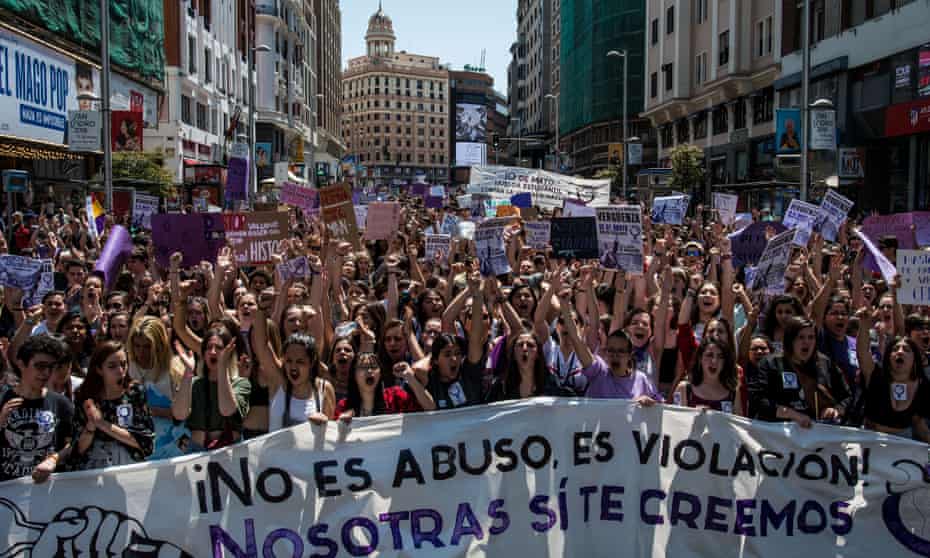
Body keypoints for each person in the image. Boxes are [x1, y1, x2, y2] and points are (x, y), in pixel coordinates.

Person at [749, 317, 852, 427]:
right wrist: (793, 415)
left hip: (819, 436)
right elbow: (758, 400)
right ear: (790, 340)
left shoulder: (825, 363)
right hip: (780, 436)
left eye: (811, 337)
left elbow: (847, 397)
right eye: (801, 337)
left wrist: (836, 410)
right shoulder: (770, 364)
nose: (806, 342)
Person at [71, 341, 154, 470]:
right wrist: (91, 426)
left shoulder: (135, 392)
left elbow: (145, 441)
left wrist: (102, 423)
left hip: (129, 465)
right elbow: (78, 449)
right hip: (94, 466)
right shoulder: (85, 396)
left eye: (123, 364)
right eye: (112, 366)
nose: (120, 371)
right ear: (99, 369)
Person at [0, 334, 71, 482]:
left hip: (46, 493)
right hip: (6, 495)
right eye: (40, 366)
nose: (46, 373)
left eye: (51, 367)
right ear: (21, 364)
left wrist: (54, 459)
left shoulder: (61, 403)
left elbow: (74, 443)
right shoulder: (2, 399)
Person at [172, 327, 251, 449]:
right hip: (196, 454)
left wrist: (222, 367)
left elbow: (227, 410)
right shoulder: (192, 383)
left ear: (228, 353)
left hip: (229, 454)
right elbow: (179, 415)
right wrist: (188, 370)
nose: (213, 352)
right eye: (209, 348)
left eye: (219, 348)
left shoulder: (241, 384)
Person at [857, 312, 930, 441]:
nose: (900, 352)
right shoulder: (876, 375)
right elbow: (863, 353)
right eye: (895, 349)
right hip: (871, 439)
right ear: (888, 356)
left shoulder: (922, 385)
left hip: (903, 443)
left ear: (914, 360)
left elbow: (918, 423)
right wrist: (863, 324)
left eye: (906, 350)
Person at [127, 316, 189, 459]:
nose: (141, 353)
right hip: (137, 443)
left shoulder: (176, 369)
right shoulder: (127, 368)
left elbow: (185, 414)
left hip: (173, 443)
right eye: (137, 346)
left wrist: (150, 410)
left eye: (147, 346)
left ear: (159, 344)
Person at [335, 351, 435, 419]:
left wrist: (410, 377)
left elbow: (430, 408)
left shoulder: (395, 396)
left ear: (380, 373)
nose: (369, 371)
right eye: (363, 367)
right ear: (354, 375)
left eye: (374, 367)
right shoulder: (344, 406)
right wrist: (341, 423)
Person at [673, 337, 744, 415]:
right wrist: (692, 414)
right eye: (709, 355)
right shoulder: (683, 389)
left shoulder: (733, 393)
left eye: (720, 357)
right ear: (700, 358)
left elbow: (739, 425)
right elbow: (675, 422)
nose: (714, 361)